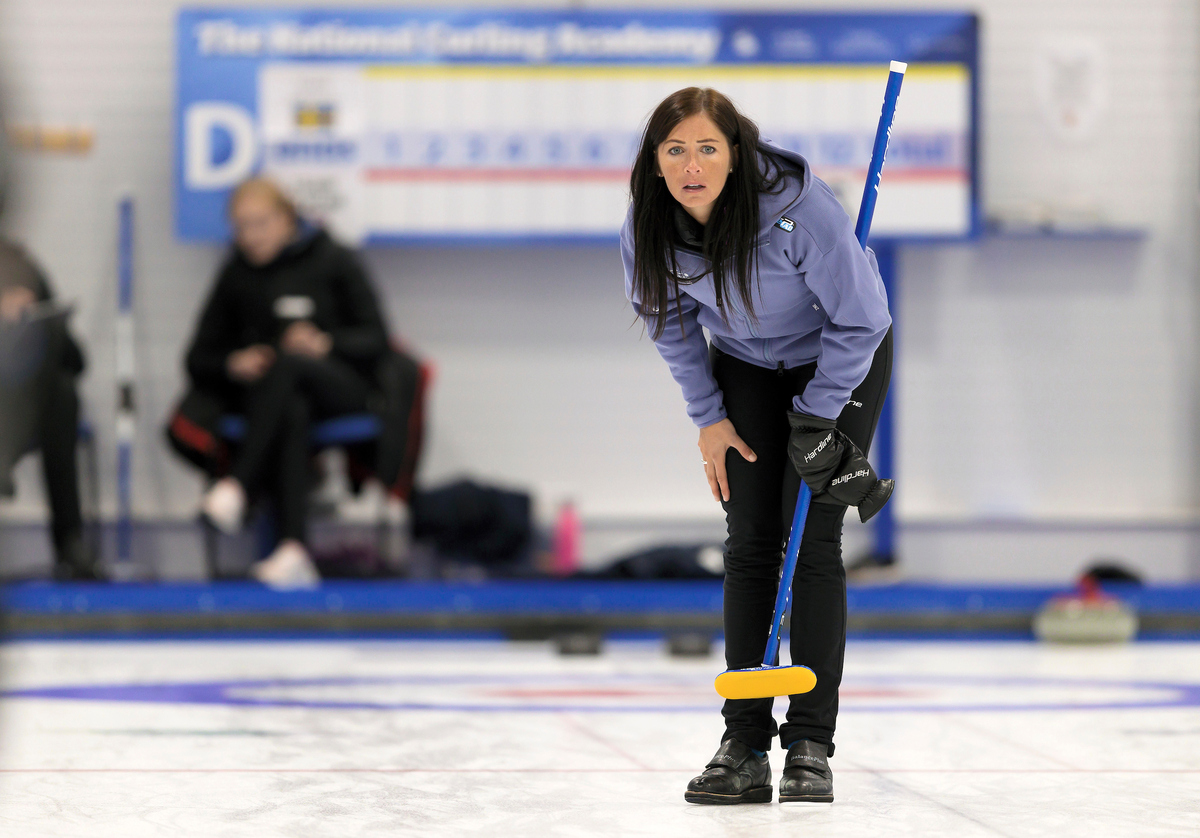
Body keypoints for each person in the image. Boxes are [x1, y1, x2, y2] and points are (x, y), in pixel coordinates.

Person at [622, 88, 894, 805]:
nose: (692, 164)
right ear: (655, 163)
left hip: (838, 357)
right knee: (748, 541)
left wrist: (819, 413)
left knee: (811, 542)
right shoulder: (648, 227)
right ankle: (742, 742)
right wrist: (708, 418)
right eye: (675, 149)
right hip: (744, 363)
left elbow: (863, 320)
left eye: (708, 147)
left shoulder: (799, 210)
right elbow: (671, 327)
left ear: (735, 156)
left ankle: (810, 741)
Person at [180, 178, 391, 588]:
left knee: (292, 362)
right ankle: (294, 550)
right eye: (240, 227)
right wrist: (233, 363)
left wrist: (325, 343)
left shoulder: (334, 260)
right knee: (292, 406)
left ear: (286, 219)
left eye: (259, 224)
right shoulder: (236, 274)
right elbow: (197, 358)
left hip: (344, 389)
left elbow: (377, 339)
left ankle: (238, 484)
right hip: (277, 399)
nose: (249, 237)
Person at [0, 239, 96, 579]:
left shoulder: (25, 271)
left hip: (28, 407)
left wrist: (34, 325)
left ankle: (69, 541)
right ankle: (69, 541)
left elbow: (74, 360)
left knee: (62, 395)